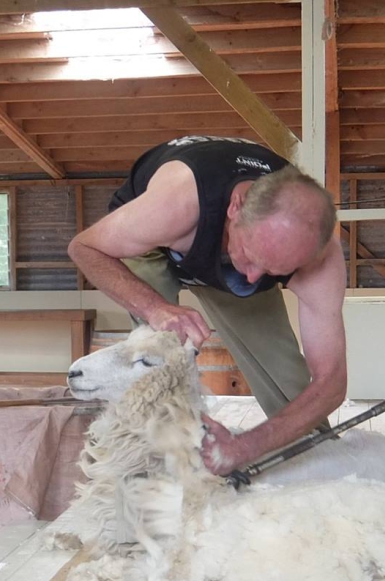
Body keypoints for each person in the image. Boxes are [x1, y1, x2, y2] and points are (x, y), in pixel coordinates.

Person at [67, 134, 347, 477]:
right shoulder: (175, 203)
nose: (252, 275)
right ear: (235, 207)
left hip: (214, 245)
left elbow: (331, 382)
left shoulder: (320, 258)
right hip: (155, 243)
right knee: (159, 355)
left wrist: (246, 447)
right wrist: (154, 307)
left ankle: (319, 467)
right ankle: (160, 458)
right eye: (250, 255)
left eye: (275, 271)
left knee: (288, 378)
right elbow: (84, 249)